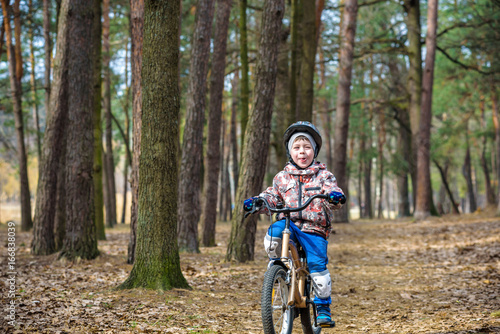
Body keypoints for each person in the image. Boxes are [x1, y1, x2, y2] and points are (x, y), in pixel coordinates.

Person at [243, 121, 344, 327]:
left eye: (307, 147)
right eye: (297, 148)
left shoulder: (323, 176)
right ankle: (278, 270)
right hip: (288, 223)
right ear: (290, 152)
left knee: (317, 265)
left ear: (314, 151)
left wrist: (335, 196)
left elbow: (333, 189)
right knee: (273, 235)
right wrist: (259, 201)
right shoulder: (282, 177)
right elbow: (272, 195)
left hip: (314, 228)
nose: (302, 152)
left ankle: (322, 306)